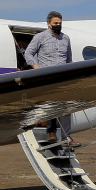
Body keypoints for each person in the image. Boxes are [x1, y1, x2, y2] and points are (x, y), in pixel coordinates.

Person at [24, 11, 78, 146]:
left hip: (63, 78)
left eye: (60, 23)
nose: (58, 25)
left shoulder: (66, 38)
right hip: (47, 78)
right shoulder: (40, 37)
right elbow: (28, 53)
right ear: (48, 24)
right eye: (55, 23)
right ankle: (51, 133)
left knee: (65, 106)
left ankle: (66, 137)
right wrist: (38, 70)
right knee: (50, 105)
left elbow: (69, 59)